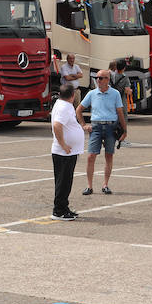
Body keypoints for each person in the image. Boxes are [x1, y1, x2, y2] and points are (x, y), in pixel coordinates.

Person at [78, 69, 126, 195]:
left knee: (109, 155)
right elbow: (79, 110)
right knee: (90, 156)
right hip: (96, 127)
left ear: (107, 80)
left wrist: (125, 131)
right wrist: (83, 125)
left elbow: (120, 112)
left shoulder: (115, 94)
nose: (98, 80)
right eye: (97, 78)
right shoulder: (92, 94)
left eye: (101, 78)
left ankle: (105, 185)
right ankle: (89, 186)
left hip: (111, 127)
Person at [49, 83, 84, 220]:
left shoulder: (62, 104)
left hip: (67, 152)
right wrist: (63, 144)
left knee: (65, 181)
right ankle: (58, 211)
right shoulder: (64, 107)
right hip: (63, 152)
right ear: (72, 95)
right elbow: (57, 125)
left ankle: (64, 207)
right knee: (63, 182)